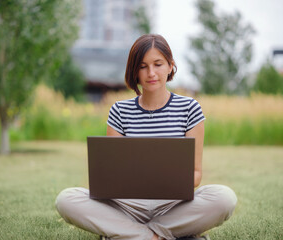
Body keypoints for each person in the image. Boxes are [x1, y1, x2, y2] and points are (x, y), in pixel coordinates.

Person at [55, 34, 237, 240]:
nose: (151, 73)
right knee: (66, 199)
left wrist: (166, 182)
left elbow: (195, 174)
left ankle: (127, 234)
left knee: (224, 198)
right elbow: (111, 175)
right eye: (142, 66)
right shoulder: (119, 111)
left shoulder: (190, 108)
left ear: (170, 66)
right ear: (135, 71)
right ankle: (159, 235)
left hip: (173, 205)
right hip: (127, 205)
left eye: (158, 64)